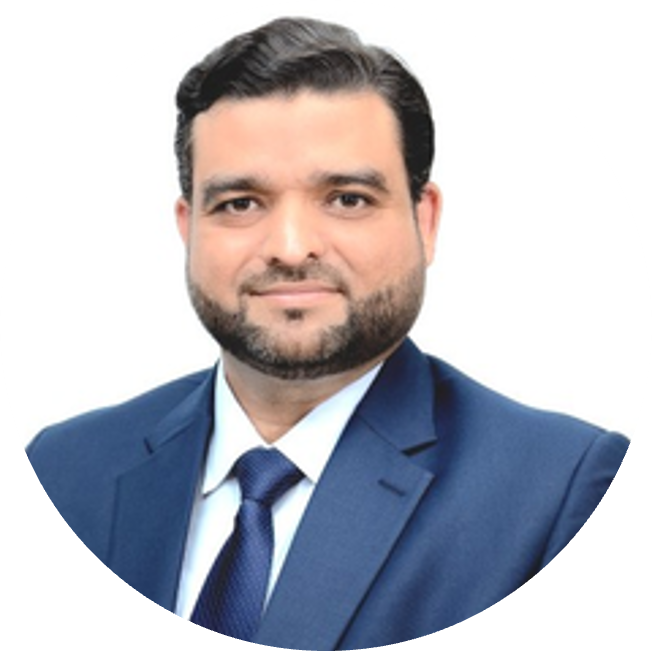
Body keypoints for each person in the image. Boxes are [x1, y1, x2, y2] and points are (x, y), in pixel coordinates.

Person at [26, 17, 629, 647]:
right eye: (240, 203)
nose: (291, 248)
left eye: (347, 198)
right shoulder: (64, 469)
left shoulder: (557, 493)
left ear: (425, 221)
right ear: (189, 227)